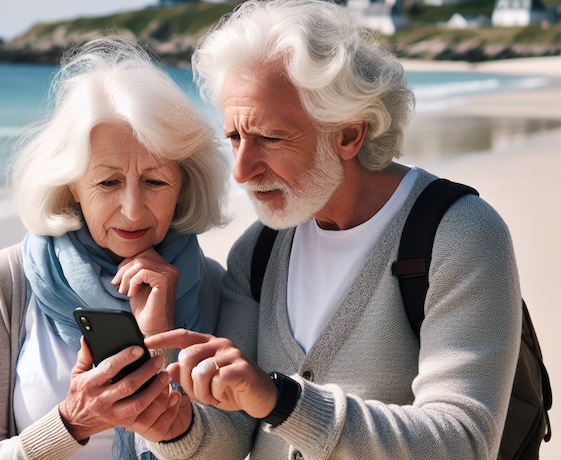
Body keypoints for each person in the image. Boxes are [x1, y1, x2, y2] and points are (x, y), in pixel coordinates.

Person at [138, 1, 523, 459]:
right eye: (235, 138)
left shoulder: (460, 234)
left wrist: (281, 400)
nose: (241, 171)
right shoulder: (257, 252)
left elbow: (464, 442)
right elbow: (231, 436)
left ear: (348, 134)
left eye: (269, 137)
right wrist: (173, 424)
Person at [0, 38, 228, 460]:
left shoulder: (214, 286)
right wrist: (72, 422)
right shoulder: (5, 281)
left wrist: (158, 341)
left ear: (184, 185)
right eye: (108, 182)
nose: (132, 211)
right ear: (72, 186)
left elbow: (230, 449)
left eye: (154, 182)